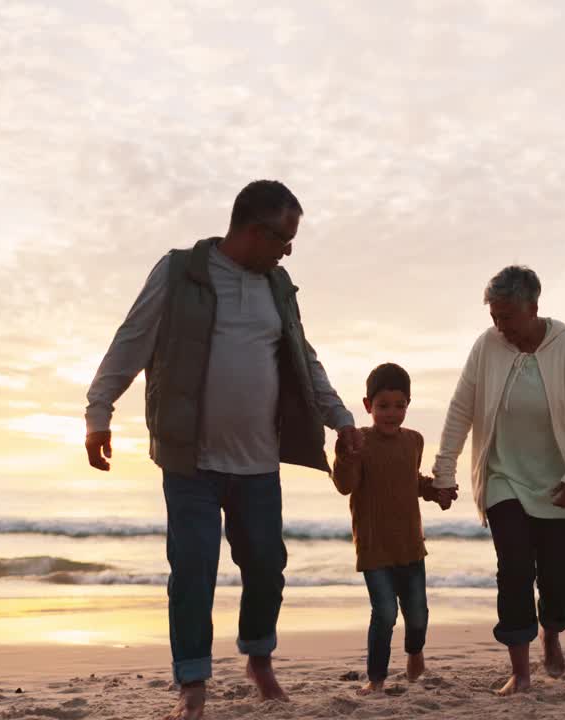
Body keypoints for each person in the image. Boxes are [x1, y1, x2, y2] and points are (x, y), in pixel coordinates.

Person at [83, 180, 364, 718]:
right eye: (284, 239)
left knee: (266, 566)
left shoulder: (277, 286)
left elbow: (303, 359)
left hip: (258, 460)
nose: (288, 250)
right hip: (190, 459)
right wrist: (100, 412)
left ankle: (259, 658)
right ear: (254, 231)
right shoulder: (180, 271)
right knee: (192, 570)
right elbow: (132, 339)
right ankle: (192, 682)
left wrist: (341, 417)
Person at [431, 265, 565, 696]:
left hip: (559, 485)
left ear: (534, 307)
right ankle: (521, 671)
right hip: (503, 479)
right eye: (494, 316)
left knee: (558, 583)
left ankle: (551, 630)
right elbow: (461, 410)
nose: (500, 326)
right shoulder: (487, 347)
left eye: (507, 316)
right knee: (513, 569)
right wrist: (444, 472)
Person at [331, 363, 457, 695]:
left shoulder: (413, 441)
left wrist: (436, 492)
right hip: (374, 549)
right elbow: (346, 486)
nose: (392, 413)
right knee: (385, 613)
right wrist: (344, 455)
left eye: (399, 406)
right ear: (368, 405)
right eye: (384, 406)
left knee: (417, 613)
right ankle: (377, 678)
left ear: (408, 405)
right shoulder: (359, 442)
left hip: (411, 546)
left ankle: (415, 652)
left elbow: (411, 482)